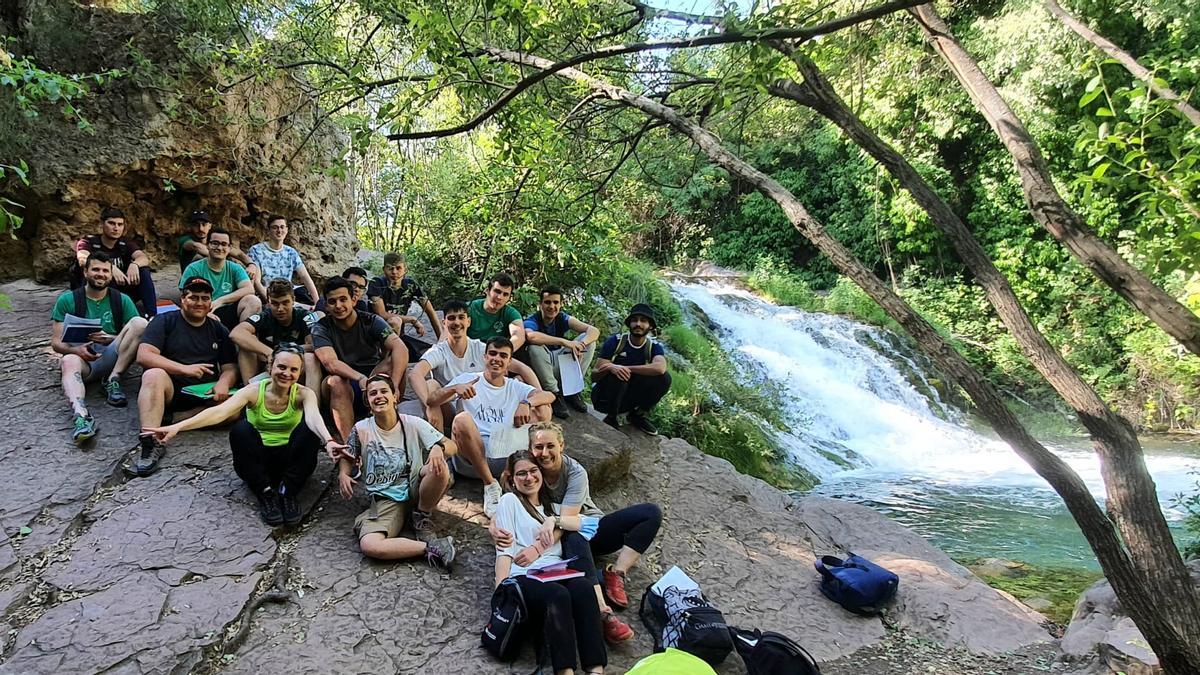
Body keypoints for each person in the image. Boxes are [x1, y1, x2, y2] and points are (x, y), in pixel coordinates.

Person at [143, 344, 345, 526]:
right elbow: (219, 412)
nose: (286, 373)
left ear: (300, 372)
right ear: (270, 367)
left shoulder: (303, 393)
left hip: (290, 462)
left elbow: (313, 418)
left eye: (293, 369)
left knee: (307, 432)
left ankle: (287, 492)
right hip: (258, 463)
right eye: (281, 367)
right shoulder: (253, 391)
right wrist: (178, 427)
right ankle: (265, 493)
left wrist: (327, 440)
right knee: (241, 429)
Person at [493, 422, 658, 643]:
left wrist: (536, 548)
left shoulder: (574, 473)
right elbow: (507, 501)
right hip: (556, 543)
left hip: (583, 529)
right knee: (573, 539)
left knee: (650, 513)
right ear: (530, 448)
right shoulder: (529, 470)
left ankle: (615, 575)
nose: (544, 453)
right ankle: (602, 611)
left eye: (550, 446)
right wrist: (493, 526)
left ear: (562, 445)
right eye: (538, 447)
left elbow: (566, 522)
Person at [492, 450, 606, 675]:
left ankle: (596, 669)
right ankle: (565, 671)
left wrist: (555, 521)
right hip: (524, 575)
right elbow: (504, 549)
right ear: (512, 480)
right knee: (558, 595)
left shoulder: (554, 509)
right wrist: (500, 590)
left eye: (533, 471)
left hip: (556, 572)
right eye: (521, 474)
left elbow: (591, 525)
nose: (529, 478)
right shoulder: (510, 502)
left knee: (584, 588)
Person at [336, 374, 457, 570]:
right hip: (386, 499)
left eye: (384, 391)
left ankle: (421, 515)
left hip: (416, 485)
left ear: (395, 396)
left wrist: (438, 448)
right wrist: (343, 473)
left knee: (440, 467)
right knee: (370, 545)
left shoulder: (412, 423)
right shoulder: (361, 429)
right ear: (367, 400)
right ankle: (432, 547)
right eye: (373, 393)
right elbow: (348, 454)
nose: (379, 396)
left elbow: (452, 446)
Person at [426, 337, 554, 517]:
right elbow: (431, 401)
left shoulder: (515, 387)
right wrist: (454, 389)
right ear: (485, 357)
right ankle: (490, 485)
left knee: (543, 409)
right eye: (493, 353)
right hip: (472, 459)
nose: (497, 359)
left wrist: (526, 402)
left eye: (503, 356)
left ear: (509, 361)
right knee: (462, 419)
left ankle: (532, 475)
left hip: (507, 457)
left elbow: (549, 396)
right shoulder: (469, 379)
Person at [133, 277, 238, 477]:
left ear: (210, 302)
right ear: (183, 299)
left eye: (205, 298)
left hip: (203, 392)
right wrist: (183, 369)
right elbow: (144, 355)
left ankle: (172, 421)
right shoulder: (165, 320)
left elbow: (230, 367)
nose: (199, 303)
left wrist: (224, 383)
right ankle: (151, 439)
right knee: (153, 375)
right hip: (170, 387)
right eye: (194, 297)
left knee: (234, 409)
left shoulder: (218, 329)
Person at [50, 252, 149, 444]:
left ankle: (113, 380)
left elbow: (138, 335)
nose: (101, 274)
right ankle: (81, 416)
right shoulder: (67, 300)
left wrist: (111, 338)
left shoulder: (121, 300)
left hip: (113, 357)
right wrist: (75, 351)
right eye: (95, 269)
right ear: (85, 272)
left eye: (105, 270)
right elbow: (56, 343)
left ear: (111, 275)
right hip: (83, 359)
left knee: (140, 322)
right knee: (68, 361)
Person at [408, 300, 544, 432]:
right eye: (451, 318)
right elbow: (415, 374)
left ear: (468, 321)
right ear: (444, 323)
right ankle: (440, 443)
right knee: (431, 385)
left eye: (461, 317)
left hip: (481, 408)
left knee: (523, 385)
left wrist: (537, 396)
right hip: (450, 408)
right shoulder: (439, 351)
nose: (456, 322)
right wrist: (428, 405)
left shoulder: (480, 348)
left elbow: (522, 368)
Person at [313, 276, 407, 445]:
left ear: (354, 300)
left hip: (374, 378)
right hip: (344, 385)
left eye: (343, 299)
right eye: (332, 302)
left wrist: (393, 384)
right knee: (335, 381)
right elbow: (330, 363)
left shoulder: (371, 321)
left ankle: (391, 422)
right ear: (326, 306)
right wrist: (360, 378)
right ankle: (351, 445)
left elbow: (400, 347)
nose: (339, 306)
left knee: (395, 360)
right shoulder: (321, 327)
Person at [592, 304, 671, 435]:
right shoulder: (615, 342)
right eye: (635, 320)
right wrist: (611, 368)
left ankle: (637, 415)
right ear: (629, 324)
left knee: (665, 378)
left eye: (643, 321)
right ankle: (612, 417)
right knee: (619, 374)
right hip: (604, 398)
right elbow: (594, 375)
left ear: (650, 326)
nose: (638, 324)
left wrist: (625, 367)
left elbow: (660, 368)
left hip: (628, 398)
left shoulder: (653, 347)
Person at [523, 286, 600, 419]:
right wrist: (564, 342)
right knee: (534, 347)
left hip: (559, 365)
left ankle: (572, 390)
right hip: (542, 369)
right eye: (547, 302)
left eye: (556, 302)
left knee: (589, 342)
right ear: (540, 304)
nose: (552, 306)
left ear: (561, 304)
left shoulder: (563, 318)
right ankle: (554, 394)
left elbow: (594, 331)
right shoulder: (532, 320)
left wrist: (581, 345)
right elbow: (531, 336)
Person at [231, 278, 321, 390]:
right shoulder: (265, 316)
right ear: (269, 302)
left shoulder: (304, 316)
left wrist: (282, 353)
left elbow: (314, 345)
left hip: (294, 368)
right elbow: (236, 333)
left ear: (293, 300)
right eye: (275, 303)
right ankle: (251, 394)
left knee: (310, 357)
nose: (280, 309)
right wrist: (269, 353)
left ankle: (313, 403)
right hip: (269, 367)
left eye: (285, 303)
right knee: (246, 345)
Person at [71, 206, 158, 317]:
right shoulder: (88, 242)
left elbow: (143, 258)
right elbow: (83, 260)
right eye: (111, 223)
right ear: (102, 224)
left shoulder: (125, 243)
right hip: (96, 289)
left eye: (120, 224)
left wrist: (134, 264)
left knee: (144, 271)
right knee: (95, 272)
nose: (116, 228)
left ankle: (152, 315)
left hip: (120, 290)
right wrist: (110, 267)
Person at [179, 227, 262, 330]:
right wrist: (203, 312)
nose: (219, 247)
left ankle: (243, 338)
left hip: (228, 309)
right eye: (215, 243)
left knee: (253, 301)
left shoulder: (234, 268)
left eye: (224, 244)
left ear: (229, 248)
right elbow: (184, 297)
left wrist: (220, 301)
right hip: (204, 311)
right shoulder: (194, 268)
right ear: (207, 246)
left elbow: (249, 289)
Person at [367, 252, 441, 357]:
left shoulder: (410, 285)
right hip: (376, 336)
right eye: (390, 268)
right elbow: (382, 313)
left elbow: (429, 310)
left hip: (398, 336)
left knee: (429, 354)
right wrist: (411, 319)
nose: (394, 272)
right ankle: (385, 359)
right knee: (395, 321)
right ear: (384, 269)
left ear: (405, 269)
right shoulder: (377, 283)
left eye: (398, 268)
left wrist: (442, 342)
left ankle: (395, 354)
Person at [247, 216, 320, 306]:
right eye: (275, 227)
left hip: (287, 293)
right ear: (268, 231)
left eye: (282, 227)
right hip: (267, 294)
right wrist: (271, 301)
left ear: (287, 230)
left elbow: (305, 277)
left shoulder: (291, 252)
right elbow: (257, 283)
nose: (279, 231)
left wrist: (317, 302)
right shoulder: (256, 251)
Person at [177, 210, 262, 282]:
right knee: (200, 258)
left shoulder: (216, 241)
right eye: (196, 225)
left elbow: (239, 254)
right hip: (194, 280)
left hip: (221, 277)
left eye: (204, 224)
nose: (200, 229)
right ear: (191, 226)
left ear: (209, 225)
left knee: (254, 268)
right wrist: (222, 255)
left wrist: (251, 264)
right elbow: (198, 247)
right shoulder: (185, 240)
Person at [467, 273, 526, 350]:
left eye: (505, 294)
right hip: (469, 351)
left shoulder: (510, 313)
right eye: (497, 291)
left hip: (496, 352)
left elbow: (519, 337)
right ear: (487, 291)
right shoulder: (469, 308)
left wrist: (501, 353)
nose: (500, 297)